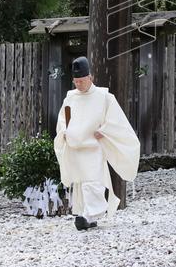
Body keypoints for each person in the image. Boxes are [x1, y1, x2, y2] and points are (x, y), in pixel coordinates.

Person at [54, 56, 140, 231]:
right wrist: (65, 132)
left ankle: (90, 214)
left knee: (92, 180)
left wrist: (105, 130)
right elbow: (64, 118)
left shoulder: (104, 96)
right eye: (76, 81)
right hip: (76, 146)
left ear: (90, 78)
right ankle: (86, 214)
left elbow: (117, 120)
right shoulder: (70, 97)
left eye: (82, 81)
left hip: (93, 146)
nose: (79, 84)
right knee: (80, 181)